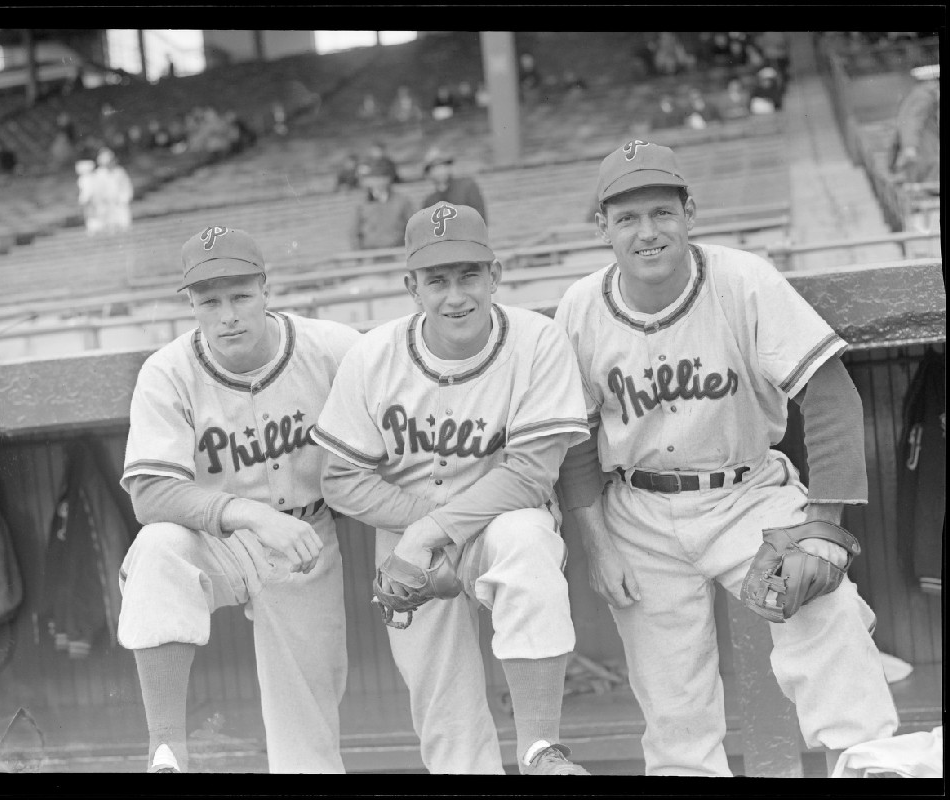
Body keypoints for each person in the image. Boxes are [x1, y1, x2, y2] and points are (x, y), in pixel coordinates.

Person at [553, 140, 900, 777]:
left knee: (829, 609)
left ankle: (867, 762)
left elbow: (829, 394)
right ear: (601, 226)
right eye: (626, 218)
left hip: (748, 494)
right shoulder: (580, 307)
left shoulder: (744, 280)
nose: (647, 231)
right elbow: (576, 439)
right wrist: (598, 545)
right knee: (673, 709)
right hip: (638, 510)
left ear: (691, 213)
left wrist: (822, 527)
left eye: (661, 212)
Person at [314, 202, 592, 775]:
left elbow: (534, 470)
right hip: (408, 538)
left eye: (469, 275)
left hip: (500, 519)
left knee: (527, 544)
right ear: (411, 287)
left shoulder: (538, 340)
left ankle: (542, 751)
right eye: (437, 280)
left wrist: (430, 530)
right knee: (443, 710)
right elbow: (340, 479)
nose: (455, 295)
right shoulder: (374, 355)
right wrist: (423, 526)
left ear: (496, 274)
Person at [116, 225, 361, 773]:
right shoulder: (168, 371)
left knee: (308, 735)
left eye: (240, 296)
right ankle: (165, 750)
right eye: (210, 301)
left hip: (304, 540)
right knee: (158, 548)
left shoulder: (333, 347)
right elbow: (150, 492)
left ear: (266, 290)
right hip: (218, 541)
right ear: (192, 306)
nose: (227, 314)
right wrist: (247, 514)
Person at [890, 64, 940, 185]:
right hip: (924, 149)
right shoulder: (924, 97)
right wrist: (910, 147)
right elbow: (912, 122)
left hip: (922, 149)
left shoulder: (918, 95)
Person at [348, 160, 413, 250]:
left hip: (398, 252)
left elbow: (413, 228)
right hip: (370, 254)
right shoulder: (361, 204)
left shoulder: (402, 201)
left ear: (388, 179)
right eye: (373, 178)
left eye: (381, 177)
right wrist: (358, 256)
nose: (377, 181)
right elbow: (354, 232)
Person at [420, 148, 488, 224]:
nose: (440, 171)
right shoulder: (429, 202)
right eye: (434, 168)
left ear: (449, 167)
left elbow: (480, 219)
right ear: (428, 174)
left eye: (442, 165)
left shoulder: (468, 187)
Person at [89, 149, 134, 234]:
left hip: (119, 202)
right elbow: (97, 190)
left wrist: (124, 198)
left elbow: (126, 186)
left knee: (123, 222)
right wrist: (101, 200)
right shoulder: (99, 174)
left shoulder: (119, 171)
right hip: (105, 203)